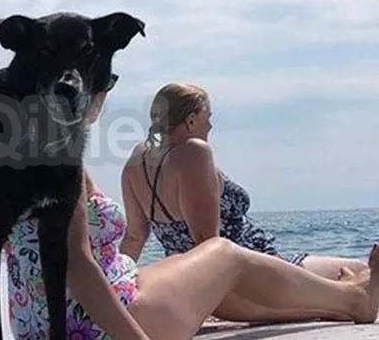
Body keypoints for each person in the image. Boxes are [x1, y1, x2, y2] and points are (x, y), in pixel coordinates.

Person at [0, 80, 379, 340]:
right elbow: (74, 261)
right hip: (101, 329)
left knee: (197, 272)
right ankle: (355, 300)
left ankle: (334, 305)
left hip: (36, 329)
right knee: (222, 254)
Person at [120, 83, 369, 279]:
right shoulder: (194, 152)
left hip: (197, 279)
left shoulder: (136, 161)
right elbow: (208, 244)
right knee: (360, 270)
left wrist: (116, 286)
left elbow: (134, 236)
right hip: (252, 273)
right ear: (192, 120)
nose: (211, 125)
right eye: (208, 116)